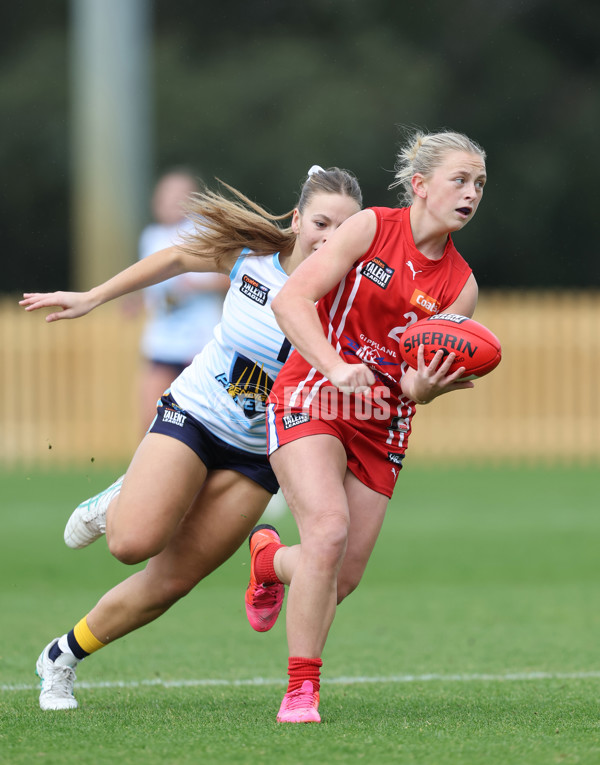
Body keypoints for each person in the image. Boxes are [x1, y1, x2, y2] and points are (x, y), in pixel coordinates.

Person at [19, 166, 363, 711]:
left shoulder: (353, 303)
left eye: (343, 230)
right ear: (297, 220)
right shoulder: (254, 261)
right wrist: (94, 296)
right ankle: (120, 497)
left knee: (170, 584)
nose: (328, 237)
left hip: (259, 456)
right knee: (130, 544)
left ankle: (59, 658)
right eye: (320, 222)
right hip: (195, 417)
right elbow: (179, 258)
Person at [243, 129, 487, 723]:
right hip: (311, 393)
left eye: (480, 184)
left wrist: (424, 390)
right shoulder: (371, 227)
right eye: (460, 180)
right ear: (421, 186)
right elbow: (291, 301)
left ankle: (269, 561)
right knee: (326, 533)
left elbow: (410, 384)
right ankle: (302, 689)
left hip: (382, 425)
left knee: (339, 577)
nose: (472, 193)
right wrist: (333, 365)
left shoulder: (461, 286)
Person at [135, 169, 229, 433]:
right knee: (149, 417)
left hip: (200, 340)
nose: (171, 201)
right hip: (162, 339)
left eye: (179, 195)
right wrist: (137, 301)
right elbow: (149, 283)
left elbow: (233, 277)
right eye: (166, 194)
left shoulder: (205, 231)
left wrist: (198, 285)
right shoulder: (150, 236)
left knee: (201, 418)